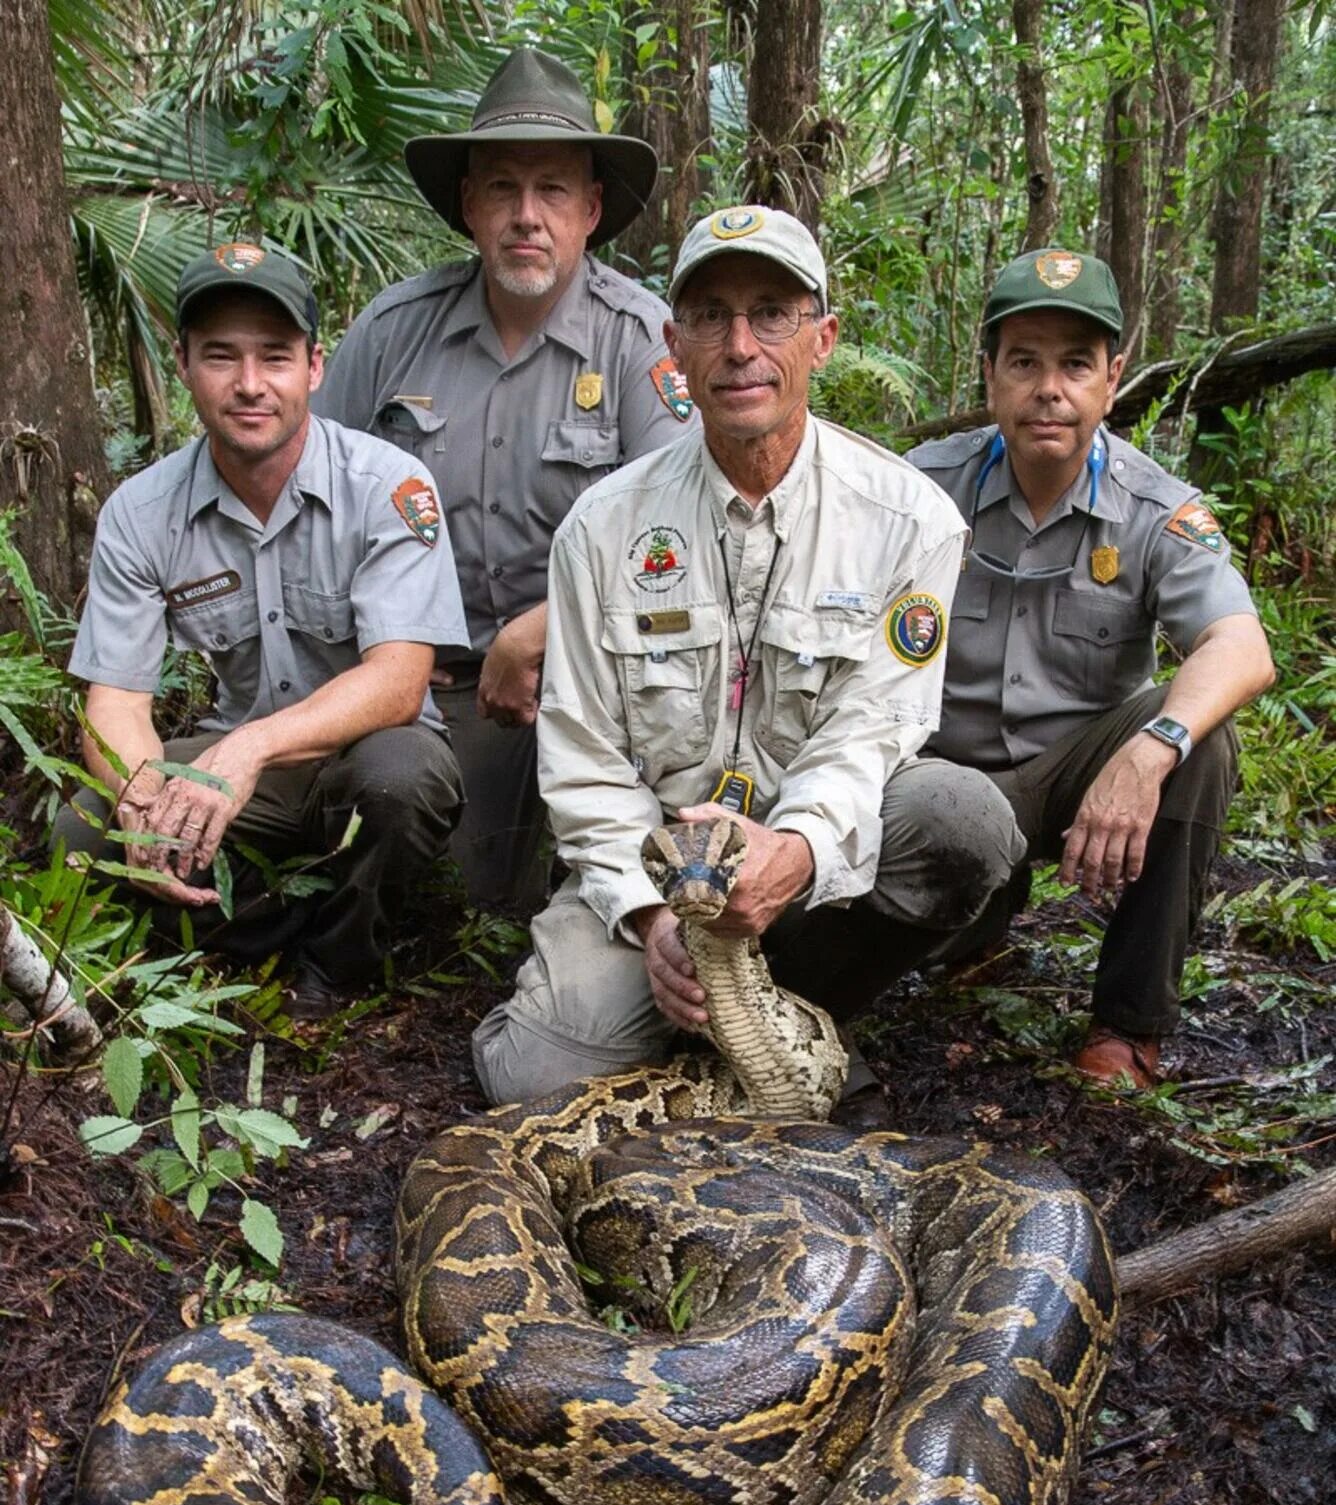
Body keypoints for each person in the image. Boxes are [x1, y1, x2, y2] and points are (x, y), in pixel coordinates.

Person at [472, 205, 1026, 1114]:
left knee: (960, 819)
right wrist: (652, 920)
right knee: (535, 1081)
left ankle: (799, 1010)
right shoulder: (602, 530)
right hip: (653, 872)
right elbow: (582, 760)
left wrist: (796, 852)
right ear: (673, 346)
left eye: (772, 312)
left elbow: (872, 731)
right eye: (710, 317)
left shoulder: (908, 520)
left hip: (809, 873)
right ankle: (709, 1019)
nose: (740, 346)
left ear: (823, 339)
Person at [316, 48, 699, 909]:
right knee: (406, 851)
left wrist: (541, 626)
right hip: (419, 686)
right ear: (468, 205)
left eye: (553, 190)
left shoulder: (641, 344)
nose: (527, 216)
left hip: (583, 690)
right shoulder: (391, 333)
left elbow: (683, 546)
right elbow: (319, 507)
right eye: (502, 188)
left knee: (556, 891)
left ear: (592, 210)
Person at [55, 244, 468, 1020]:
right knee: (84, 823)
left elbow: (399, 680)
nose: (250, 384)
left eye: (274, 357)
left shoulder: (389, 486)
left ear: (314, 367)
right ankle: (250, 939)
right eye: (221, 356)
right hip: (239, 769)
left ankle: (334, 970)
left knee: (401, 779)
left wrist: (249, 749)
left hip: (359, 755)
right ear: (183, 364)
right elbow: (114, 701)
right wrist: (145, 800)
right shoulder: (141, 513)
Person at [907, 247, 1275, 1086]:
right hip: (935, 777)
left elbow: (1242, 647)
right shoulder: (918, 491)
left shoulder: (1154, 510)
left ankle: (1127, 1028)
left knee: (1199, 742)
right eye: (1025, 362)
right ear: (992, 374)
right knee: (934, 849)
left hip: (1081, 777)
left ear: (1112, 380)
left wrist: (1150, 752)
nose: (1050, 389)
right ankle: (970, 928)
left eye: (1075, 364)